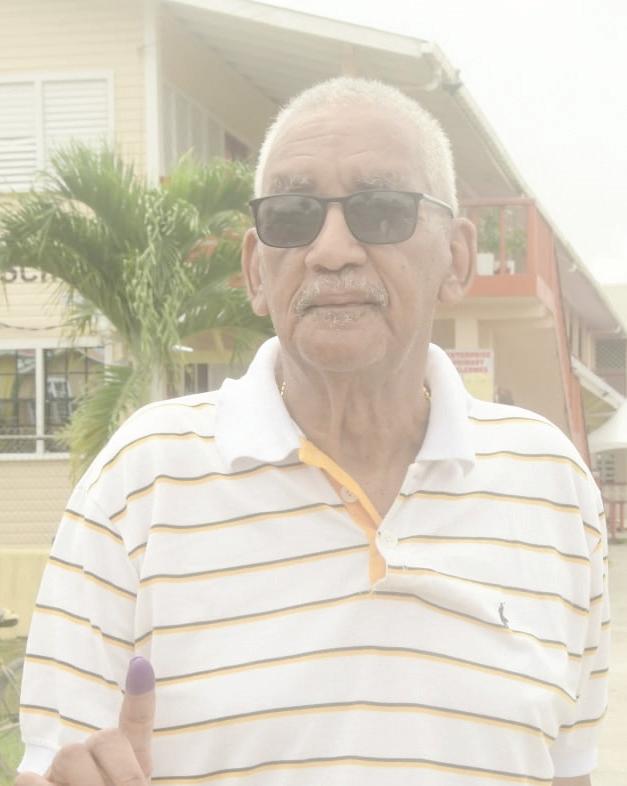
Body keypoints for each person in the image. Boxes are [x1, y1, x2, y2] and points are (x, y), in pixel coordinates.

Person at [16, 78, 608, 786]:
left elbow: (569, 771)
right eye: (293, 216)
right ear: (254, 270)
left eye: (380, 210)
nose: (331, 250)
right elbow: (55, 765)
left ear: (455, 258)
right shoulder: (139, 484)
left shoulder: (552, 486)